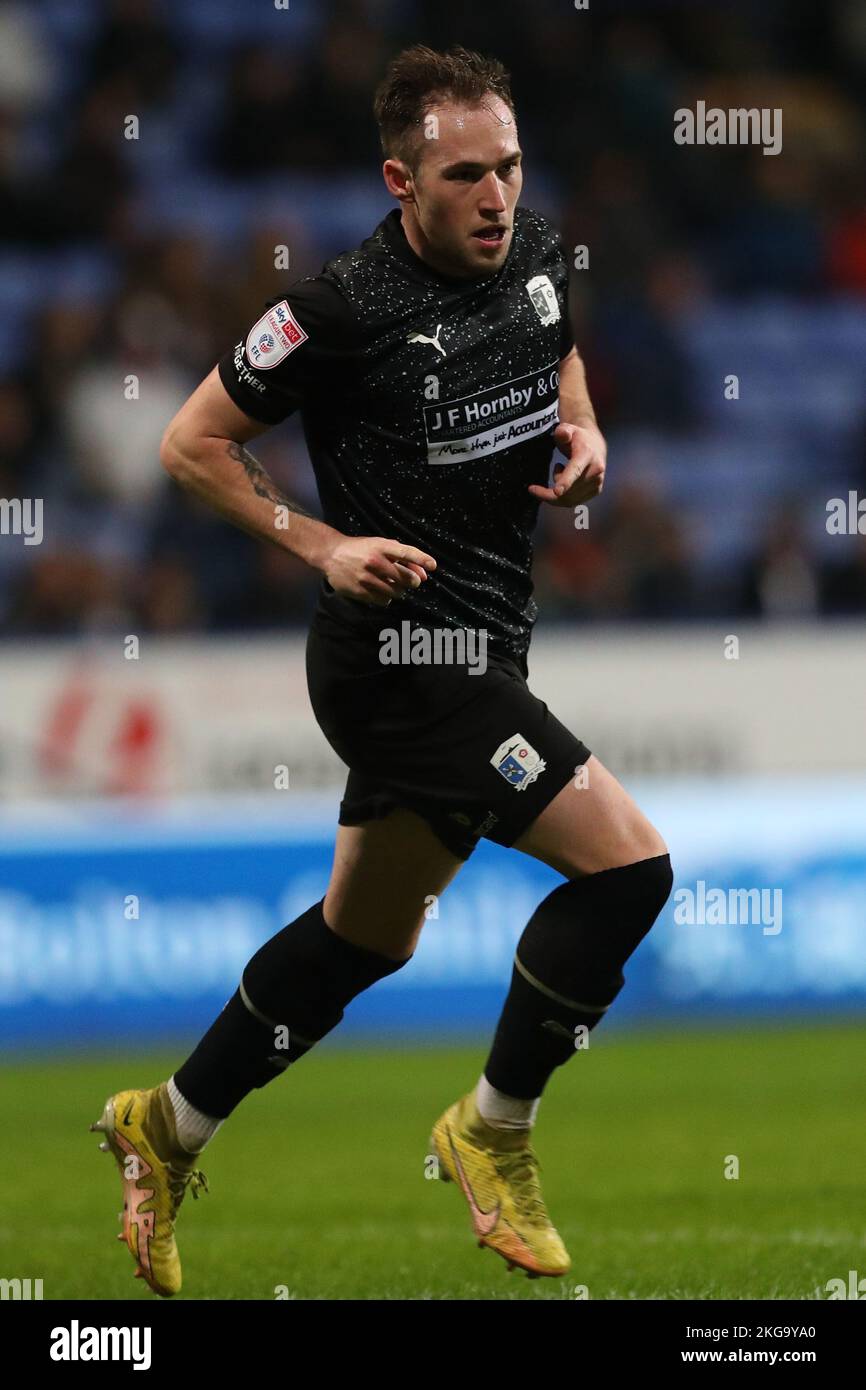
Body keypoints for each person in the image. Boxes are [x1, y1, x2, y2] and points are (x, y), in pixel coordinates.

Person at [91, 43, 672, 1297]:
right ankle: (492, 1128)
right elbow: (190, 444)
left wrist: (584, 426)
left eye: (509, 168)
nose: (497, 197)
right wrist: (320, 543)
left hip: (487, 640)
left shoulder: (534, 253)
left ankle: (168, 1124)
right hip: (398, 658)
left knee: (365, 939)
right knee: (630, 870)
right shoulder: (339, 307)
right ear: (400, 179)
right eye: (466, 174)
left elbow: (557, 346)